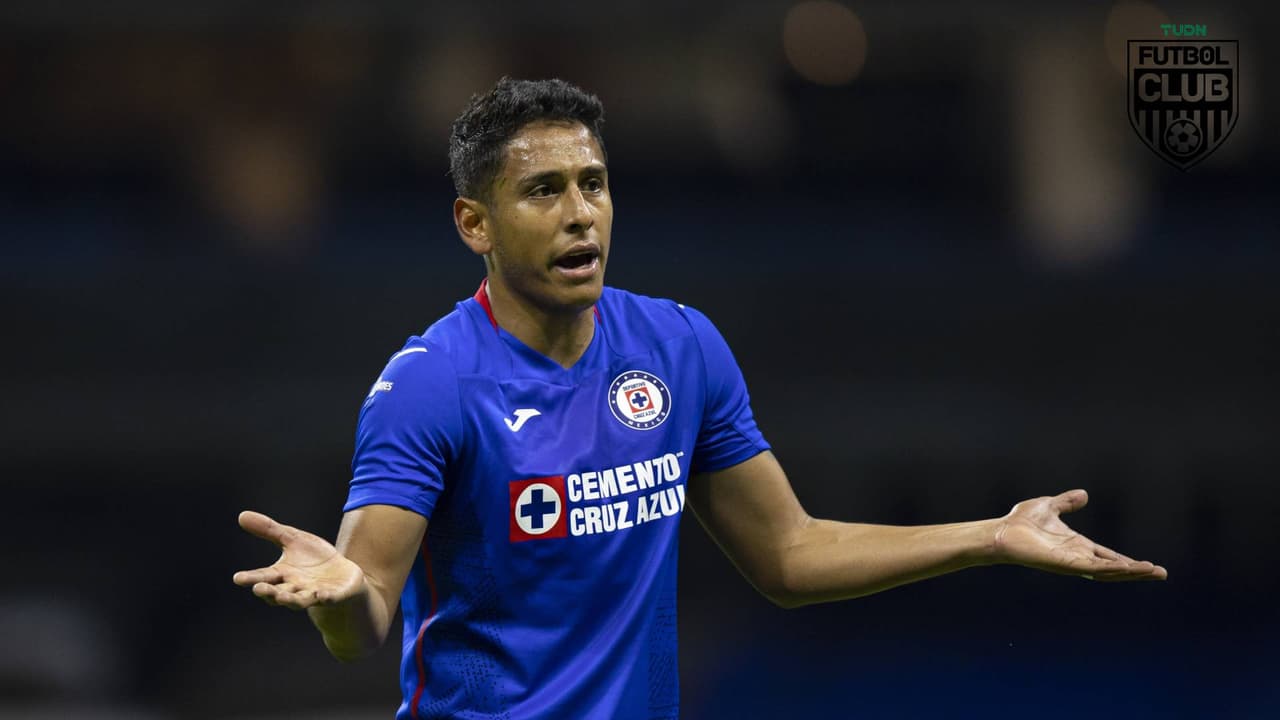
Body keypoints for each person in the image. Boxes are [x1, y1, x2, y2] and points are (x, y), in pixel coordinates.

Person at [233, 77, 1166, 720]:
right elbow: (364, 621)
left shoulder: (679, 347)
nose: (580, 213)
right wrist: (339, 597)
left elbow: (789, 553)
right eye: (543, 191)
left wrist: (990, 535)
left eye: (593, 185)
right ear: (474, 222)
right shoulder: (431, 383)